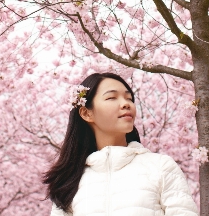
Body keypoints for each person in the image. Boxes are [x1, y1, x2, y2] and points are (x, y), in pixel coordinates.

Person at [43, 72, 198, 216]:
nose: (126, 104)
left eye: (129, 98)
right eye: (112, 98)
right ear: (86, 113)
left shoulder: (161, 167)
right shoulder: (70, 181)